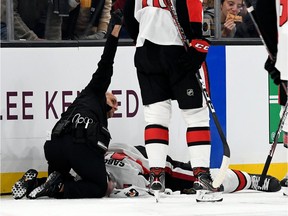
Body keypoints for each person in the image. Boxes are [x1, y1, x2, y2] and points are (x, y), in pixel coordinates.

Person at [11, 10, 124, 200]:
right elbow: (106, 62)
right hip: (78, 145)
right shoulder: (95, 91)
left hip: (55, 147)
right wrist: (115, 30)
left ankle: (34, 183)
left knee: (56, 180)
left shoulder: (83, 100)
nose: (114, 106)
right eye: (113, 102)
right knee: (99, 187)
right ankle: (60, 187)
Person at [123, 0, 223, 202]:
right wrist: (197, 40)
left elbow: (129, 16)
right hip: (178, 49)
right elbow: (192, 6)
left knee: (156, 117)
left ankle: (156, 175)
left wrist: (145, 37)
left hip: (145, 51)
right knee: (196, 116)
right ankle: (201, 176)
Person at [11, 142, 283, 200]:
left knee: (196, 177)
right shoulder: (110, 149)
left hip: (141, 165)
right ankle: (249, 179)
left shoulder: (100, 155)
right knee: (194, 176)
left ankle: (250, 180)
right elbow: (130, 188)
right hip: (140, 166)